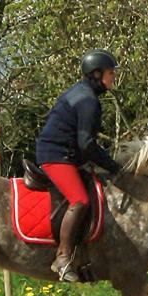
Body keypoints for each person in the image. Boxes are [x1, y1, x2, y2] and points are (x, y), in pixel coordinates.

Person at [35, 49, 124, 282]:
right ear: (96, 74)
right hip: (56, 156)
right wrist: (113, 166)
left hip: (67, 155)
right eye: (110, 72)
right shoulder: (88, 101)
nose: (113, 77)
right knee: (80, 200)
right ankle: (63, 258)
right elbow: (86, 144)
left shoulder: (81, 93)